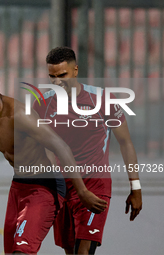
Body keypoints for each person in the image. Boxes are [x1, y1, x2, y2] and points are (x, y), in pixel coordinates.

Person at [0, 61, 108, 254]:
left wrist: (82, 192)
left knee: (23, 251)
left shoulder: (19, 115)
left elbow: (61, 147)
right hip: (18, 186)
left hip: (45, 185)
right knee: (12, 252)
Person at [33, 46, 142, 255]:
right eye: (52, 77)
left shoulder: (102, 100)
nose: (57, 82)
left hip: (95, 183)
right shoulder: (42, 104)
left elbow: (126, 143)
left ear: (75, 70)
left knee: (84, 251)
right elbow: (42, 147)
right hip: (61, 186)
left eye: (62, 75)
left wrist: (135, 187)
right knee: (70, 251)